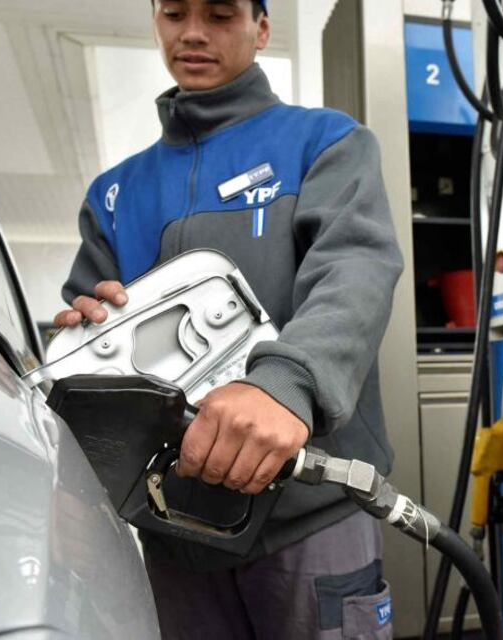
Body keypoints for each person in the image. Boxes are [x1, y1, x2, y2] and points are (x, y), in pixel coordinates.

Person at [55, 0, 403, 637]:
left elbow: (354, 272)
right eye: (174, 13)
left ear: (260, 28)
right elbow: (79, 352)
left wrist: (284, 386)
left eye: (219, 14)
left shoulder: (325, 142)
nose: (193, 32)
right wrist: (82, 332)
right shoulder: (115, 193)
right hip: (172, 528)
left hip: (309, 513)